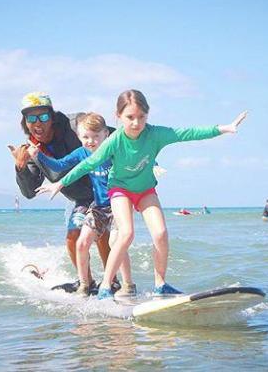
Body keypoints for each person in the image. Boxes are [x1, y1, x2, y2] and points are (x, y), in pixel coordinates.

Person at [36, 89, 248, 299]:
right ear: (118, 117)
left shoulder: (155, 134)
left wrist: (224, 128)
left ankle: (160, 285)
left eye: (141, 117)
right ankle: (106, 287)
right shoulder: (114, 140)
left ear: (147, 115)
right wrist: (60, 184)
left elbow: (188, 133)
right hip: (120, 190)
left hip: (146, 190)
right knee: (126, 234)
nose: (136, 123)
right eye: (130, 117)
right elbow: (89, 163)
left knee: (161, 234)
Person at [7, 92, 115, 292]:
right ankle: (87, 283)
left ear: (52, 117)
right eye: (31, 118)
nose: (38, 123)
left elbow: (113, 135)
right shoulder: (32, 150)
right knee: (73, 237)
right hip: (79, 197)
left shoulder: (75, 124)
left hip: (104, 190)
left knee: (101, 234)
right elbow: (30, 192)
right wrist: (21, 167)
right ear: (25, 122)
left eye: (44, 117)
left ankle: (113, 281)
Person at [28, 112, 135, 297]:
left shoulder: (115, 150)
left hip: (118, 204)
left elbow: (136, 157)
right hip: (99, 208)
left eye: (96, 137)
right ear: (79, 137)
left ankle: (127, 285)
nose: (91, 141)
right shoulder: (82, 153)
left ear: (106, 135)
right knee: (82, 243)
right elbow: (60, 165)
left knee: (116, 241)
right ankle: (85, 285)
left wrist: (153, 165)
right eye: (85, 137)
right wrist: (38, 156)